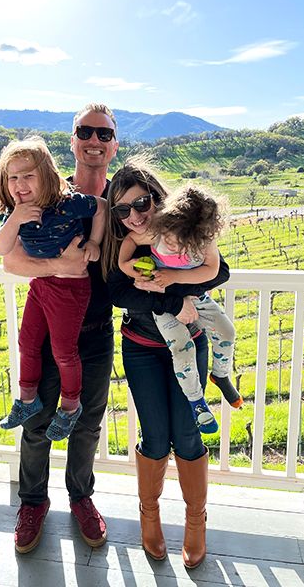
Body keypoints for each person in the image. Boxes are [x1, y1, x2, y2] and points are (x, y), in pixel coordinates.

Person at [102, 157, 230, 568]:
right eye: (122, 210)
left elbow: (219, 271)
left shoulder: (180, 233)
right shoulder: (126, 245)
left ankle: (196, 523)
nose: (135, 216)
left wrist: (175, 283)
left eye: (141, 204)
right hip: (141, 348)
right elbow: (121, 293)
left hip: (190, 346)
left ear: (158, 198)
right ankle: (149, 518)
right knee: (155, 437)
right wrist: (175, 299)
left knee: (189, 436)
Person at [1, 104, 118, 553]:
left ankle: (81, 498)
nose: (94, 140)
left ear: (113, 144)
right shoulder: (48, 193)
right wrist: (61, 264)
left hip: (98, 327)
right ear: (72, 141)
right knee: (37, 418)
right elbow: (10, 260)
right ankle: (32, 502)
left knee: (87, 421)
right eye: (85, 132)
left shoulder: (127, 196)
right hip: (53, 325)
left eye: (103, 134)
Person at [0, 137, 106, 440]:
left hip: (70, 290)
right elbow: (1, 248)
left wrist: (94, 241)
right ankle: (27, 400)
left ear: (47, 175)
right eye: (12, 177)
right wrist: (15, 219)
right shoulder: (17, 212)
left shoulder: (67, 204)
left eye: (28, 175)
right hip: (42, 285)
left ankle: (70, 406)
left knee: (63, 352)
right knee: (26, 342)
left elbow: (102, 207)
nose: (20, 184)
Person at [117, 183, 242, 435]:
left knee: (227, 332)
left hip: (197, 296)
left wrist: (174, 277)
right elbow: (130, 240)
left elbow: (213, 270)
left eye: (183, 243)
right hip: (163, 307)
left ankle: (220, 375)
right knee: (182, 348)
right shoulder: (158, 231)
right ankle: (197, 402)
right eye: (172, 239)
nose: (174, 246)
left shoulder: (205, 240)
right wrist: (126, 265)